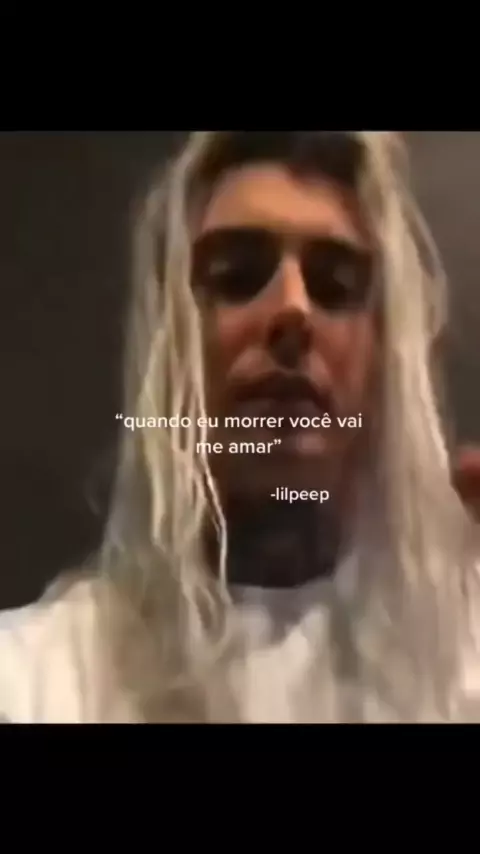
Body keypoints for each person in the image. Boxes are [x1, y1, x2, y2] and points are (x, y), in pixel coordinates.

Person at [1, 130, 480, 723]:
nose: (292, 309)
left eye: (335, 286)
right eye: (236, 276)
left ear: (384, 360)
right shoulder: (32, 680)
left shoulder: (461, 658)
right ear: (170, 347)